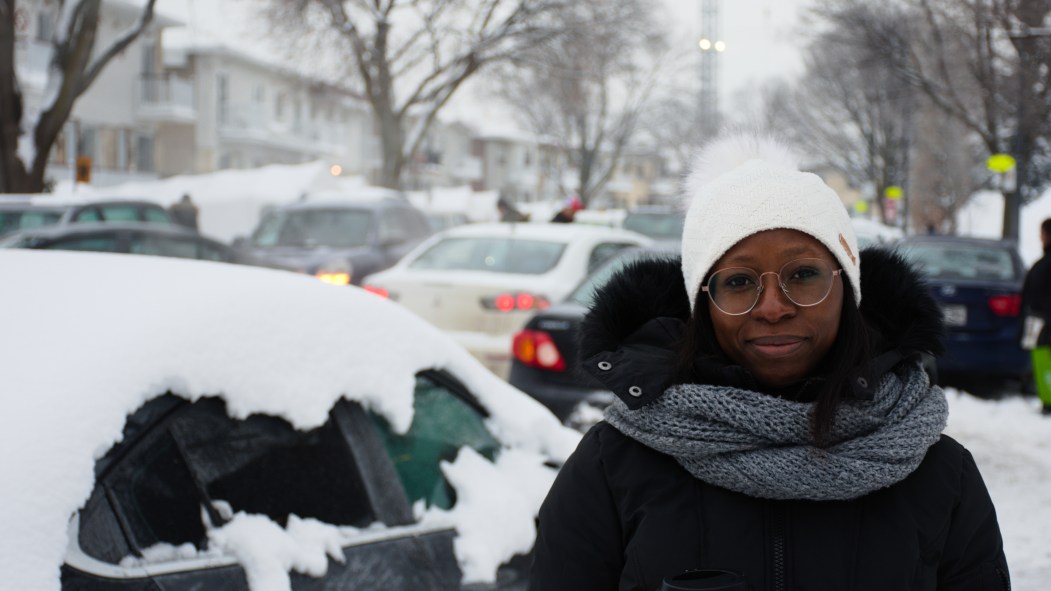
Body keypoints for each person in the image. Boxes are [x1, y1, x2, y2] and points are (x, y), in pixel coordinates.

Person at [529, 132, 1009, 590]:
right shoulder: (612, 468)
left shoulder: (939, 475)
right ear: (702, 302)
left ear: (847, 287)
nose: (773, 308)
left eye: (803, 274)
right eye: (739, 282)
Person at [1021, 217, 1051, 414]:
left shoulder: (1042, 266)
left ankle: (1048, 403)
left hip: (1045, 326)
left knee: (1044, 364)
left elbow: (1031, 296)